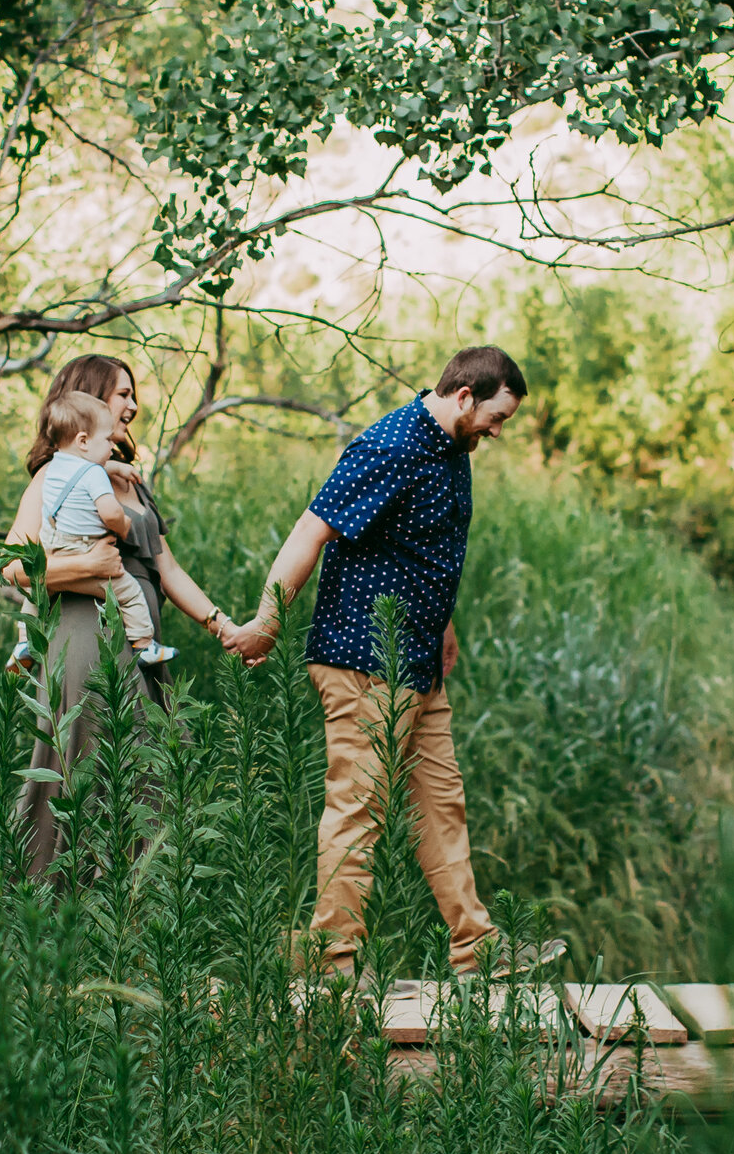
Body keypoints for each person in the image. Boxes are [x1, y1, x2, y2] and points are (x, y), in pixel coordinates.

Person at [228, 344, 564, 979]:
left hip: (417, 660)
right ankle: (331, 963)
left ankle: (477, 948)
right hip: (364, 657)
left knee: (442, 803)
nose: (496, 432)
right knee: (359, 808)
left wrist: (445, 623)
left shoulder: (450, 448)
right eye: (497, 417)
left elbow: (420, 544)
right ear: (466, 396)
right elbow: (312, 529)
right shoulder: (392, 446)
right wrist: (267, 622)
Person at [2, 354, 247, 875]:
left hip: (139, 645)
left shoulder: (130, 482)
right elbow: (13, 566)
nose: (133, 406)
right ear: (89, 401)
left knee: (145, 764)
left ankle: (133, 906)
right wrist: (85, 562)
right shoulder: (53, 477)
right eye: (122, 395)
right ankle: (44, 898)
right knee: (83, 765)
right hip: (84, 639)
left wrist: (223, 625)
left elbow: (168, 569)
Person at [30, 391, 174, 669]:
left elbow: (82, 465)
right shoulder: (94, 473)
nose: (112, 445)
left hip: (54, 542)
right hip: (86, 551)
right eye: (107, 440)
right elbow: (109, 511)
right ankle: (144, 644)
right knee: (130, 593)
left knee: (38, 594)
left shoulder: (56, 466)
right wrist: (123, 525)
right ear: (83, 440)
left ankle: (25, 640)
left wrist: (115, 466)